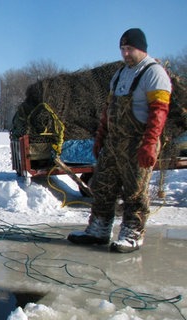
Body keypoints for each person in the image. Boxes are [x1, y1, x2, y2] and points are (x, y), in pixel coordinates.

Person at [68, 28, 172, 253]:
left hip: (138, 143)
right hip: (114, 143)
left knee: (134, 191)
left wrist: (149, 142)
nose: (125, 53)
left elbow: (159, 111)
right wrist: (100, 137)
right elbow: (109, 109)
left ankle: (133, 233)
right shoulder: (120, 74)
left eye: (129, 49)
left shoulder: (153, 73)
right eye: (122, 49)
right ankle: (99, 229)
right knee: (103, 186)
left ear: (141, 48)